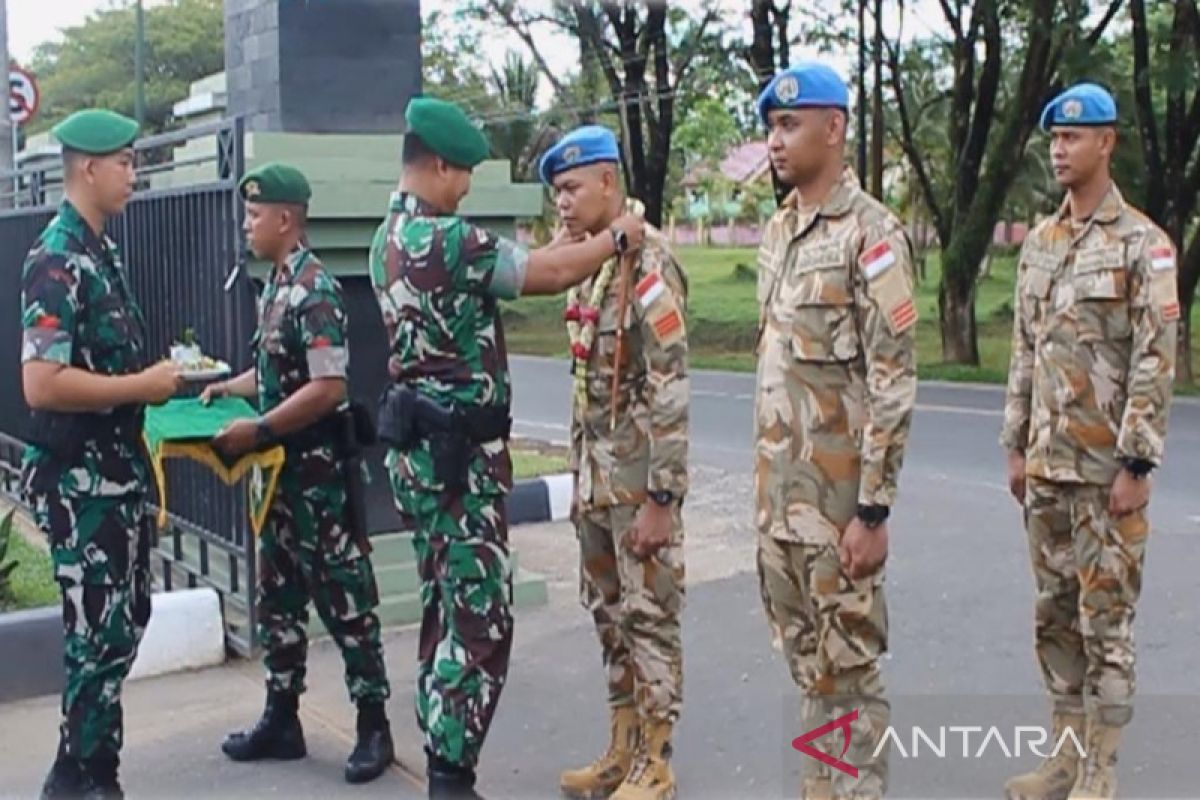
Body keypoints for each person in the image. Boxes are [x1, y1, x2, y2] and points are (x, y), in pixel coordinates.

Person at [369, 97, 645, 799]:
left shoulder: (391, 238)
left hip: (421, 461)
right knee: (481, 619)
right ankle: (451, 775)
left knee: (443, 603)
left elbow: (527, 262)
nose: (466, 188)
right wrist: (619, 238)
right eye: (462, 174)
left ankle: (439, 748)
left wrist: (575, 242)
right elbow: (546, 277)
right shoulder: (450, 240)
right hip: (461, 465)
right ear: (436, 166)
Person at [1000, 83, 1177, 800]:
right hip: (1046, 469)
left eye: (1073, 137)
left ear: (1107, 142)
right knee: (1055, 620)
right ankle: (1065, 758)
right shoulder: (1040, 245)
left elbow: (1155, 357)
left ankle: (1101, 769)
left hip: (1108, 475)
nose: (1060, 149)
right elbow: (1023, 350)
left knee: (1106, 623)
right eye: (1054, 139)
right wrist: (1014, 443)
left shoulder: (1145, 245)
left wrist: (1136, 459)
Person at [752, 63, 918, 800]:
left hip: (839, 511)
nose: (775, 140)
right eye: (770, 127)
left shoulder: (872, 235)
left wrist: (873, 509)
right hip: (778, 512)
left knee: (848, 677)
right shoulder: (778, 231)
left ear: (835, 127)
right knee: (805, 669)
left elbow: (892, 379)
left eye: (790, 125)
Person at [204, 162, 394, 784]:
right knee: (278, 595)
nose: (246, 226)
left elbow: (327, 386)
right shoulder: (277, 284)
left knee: (346, 600)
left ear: (286, 219)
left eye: (254, 216)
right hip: (279, 480)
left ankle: (374, 726)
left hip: (317, 477)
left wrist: (258, 429)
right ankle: (282, 718)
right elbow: (274, 374)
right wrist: (226, 388)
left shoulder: (316, 290)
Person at [20, 108, 183, 799]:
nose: (132, 174)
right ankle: (85, 775)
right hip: (80, 481)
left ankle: (82, 762)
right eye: (125, 161)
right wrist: (138, 385)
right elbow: (43, 383)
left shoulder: (100, 251)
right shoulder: (56, 258)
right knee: (96, 630)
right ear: (89, 167)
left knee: (123, 622)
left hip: (117, 474)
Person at [537, 125, 689, 800]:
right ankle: (621, 750)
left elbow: (670, 388)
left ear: (608, 182)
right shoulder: (595, 262)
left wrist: (663, 498)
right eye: (555, 193)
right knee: (609, 617)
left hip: (636, 488)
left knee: (649, 617)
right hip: (595, 484)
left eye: (572, 188)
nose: (562, 204)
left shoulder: (650, 263)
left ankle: (656, 761)